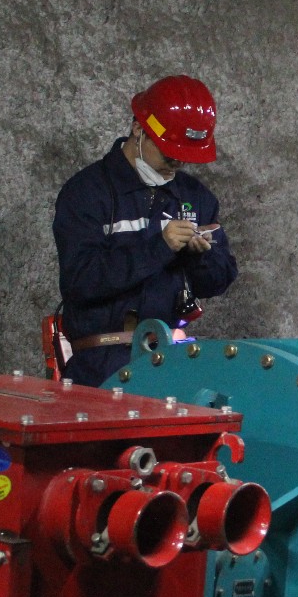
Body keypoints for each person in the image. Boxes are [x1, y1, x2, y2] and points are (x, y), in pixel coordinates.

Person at [53, 75, 239, 385]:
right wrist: (160, 247)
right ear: (139, 129)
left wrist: (200, 257)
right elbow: (80, 281)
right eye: (170, 154)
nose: (176, 164)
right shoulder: (88, 193)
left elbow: (217, 282)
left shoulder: (195, 198)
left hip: (170, 359)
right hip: (100, 364)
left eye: (184, 158)